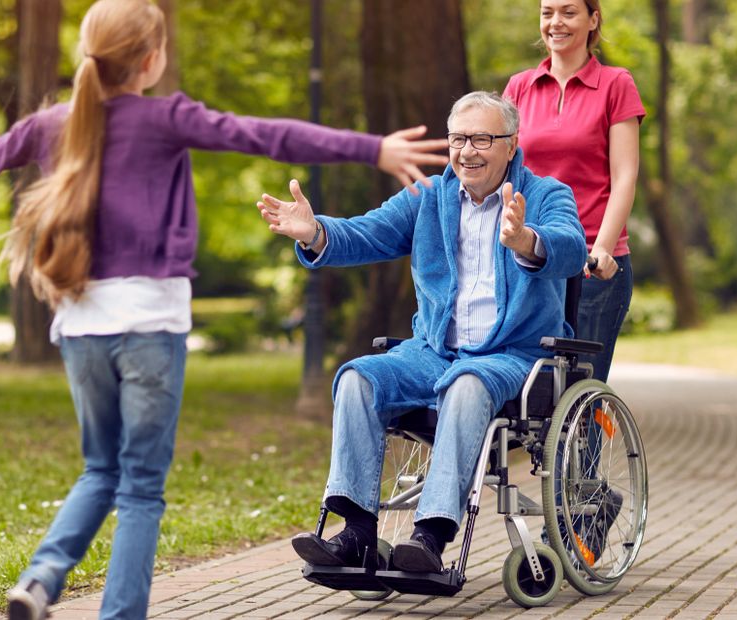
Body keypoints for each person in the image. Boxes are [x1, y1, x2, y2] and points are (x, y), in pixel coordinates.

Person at [0, 1, 447, 617]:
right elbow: (268, 134)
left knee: (100, 470)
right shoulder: (168, 117)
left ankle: (41, 580)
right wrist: (373, 149)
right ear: (151, 60)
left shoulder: (52, 125)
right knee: (141, 488)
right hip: (150, 325)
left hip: (82, 328)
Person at [257, 92, 585, 573]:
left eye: (481, 139)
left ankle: (429, 538)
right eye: (458, 139)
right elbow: (366, 233)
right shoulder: (428, 196)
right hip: (432, 351)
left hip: (511, 356)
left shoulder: (544, 194)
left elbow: (572, 247)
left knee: (467, 383)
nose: (467, 151)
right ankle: (356, 533)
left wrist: (525, 240)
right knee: (358, 378)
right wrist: (313, 233)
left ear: (511, 145)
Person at [503, 0, 645, 383]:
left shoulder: (616, 84)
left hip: (593, 265)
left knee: (580, 391)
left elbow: (625, 175)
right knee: (528, 392)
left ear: (593, 19)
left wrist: (603, 246)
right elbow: (504, 169)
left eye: (568, 12)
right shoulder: (519, 87)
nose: (555, 22)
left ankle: (587, 443)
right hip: (532, 258)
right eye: (547, 12)